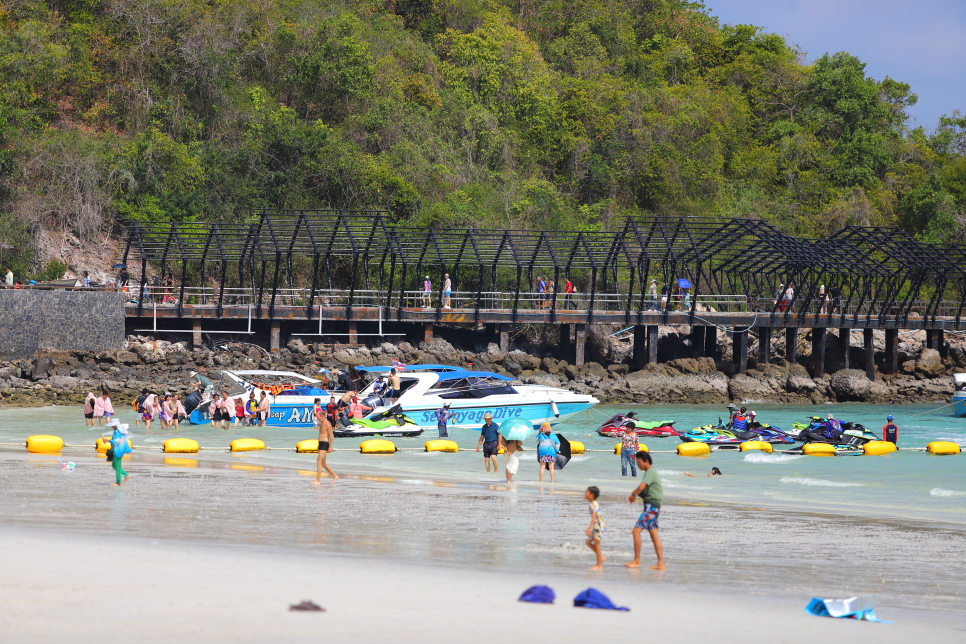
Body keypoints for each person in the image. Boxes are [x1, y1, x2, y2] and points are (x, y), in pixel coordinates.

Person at [624, 451, 665, 570]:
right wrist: (637, 495)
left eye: (639, 463)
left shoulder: (650, 471)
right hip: (654, 506)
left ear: (646, 461)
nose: (638, 466)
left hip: (651, 507)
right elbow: (648, 492)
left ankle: (637, 561)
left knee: (636, 532)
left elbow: (642, 487)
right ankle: (661, 563)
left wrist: (633, 494)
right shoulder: (650, 472)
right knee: (654, 536)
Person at [312, 409, 338, 484]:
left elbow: (331, 436)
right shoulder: (322, 423)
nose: (317, 419)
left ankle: (318, 480)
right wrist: (318, 444)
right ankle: (335, 476)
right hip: (321, 443)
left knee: (319, 461)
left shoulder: (327, 423)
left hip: (325, 443)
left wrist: (330, 446)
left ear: (322, 416)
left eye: (318, 417)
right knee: (323, 463)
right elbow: (321, 434)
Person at [585, 486, 606, 571]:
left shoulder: (592, 505)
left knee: (596, 544)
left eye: (586, 493)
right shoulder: (594, 503)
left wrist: (588, 528)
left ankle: (599, 565)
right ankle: (601, 557)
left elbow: (594, 518)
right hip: (597, 526)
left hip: (598, 527)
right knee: (588, 542)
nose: (585, 494)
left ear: (591, 495)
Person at [108, 420, 132, 486]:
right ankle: (126, 475)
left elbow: (117, 441)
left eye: (111, 425)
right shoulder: (119, 431)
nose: (111, 426)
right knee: (114, 465)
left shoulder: (117, 432)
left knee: (117, 466)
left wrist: (108, 440)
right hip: (117, 449)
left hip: (118, 450)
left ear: (114, 425)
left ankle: (118, 482)